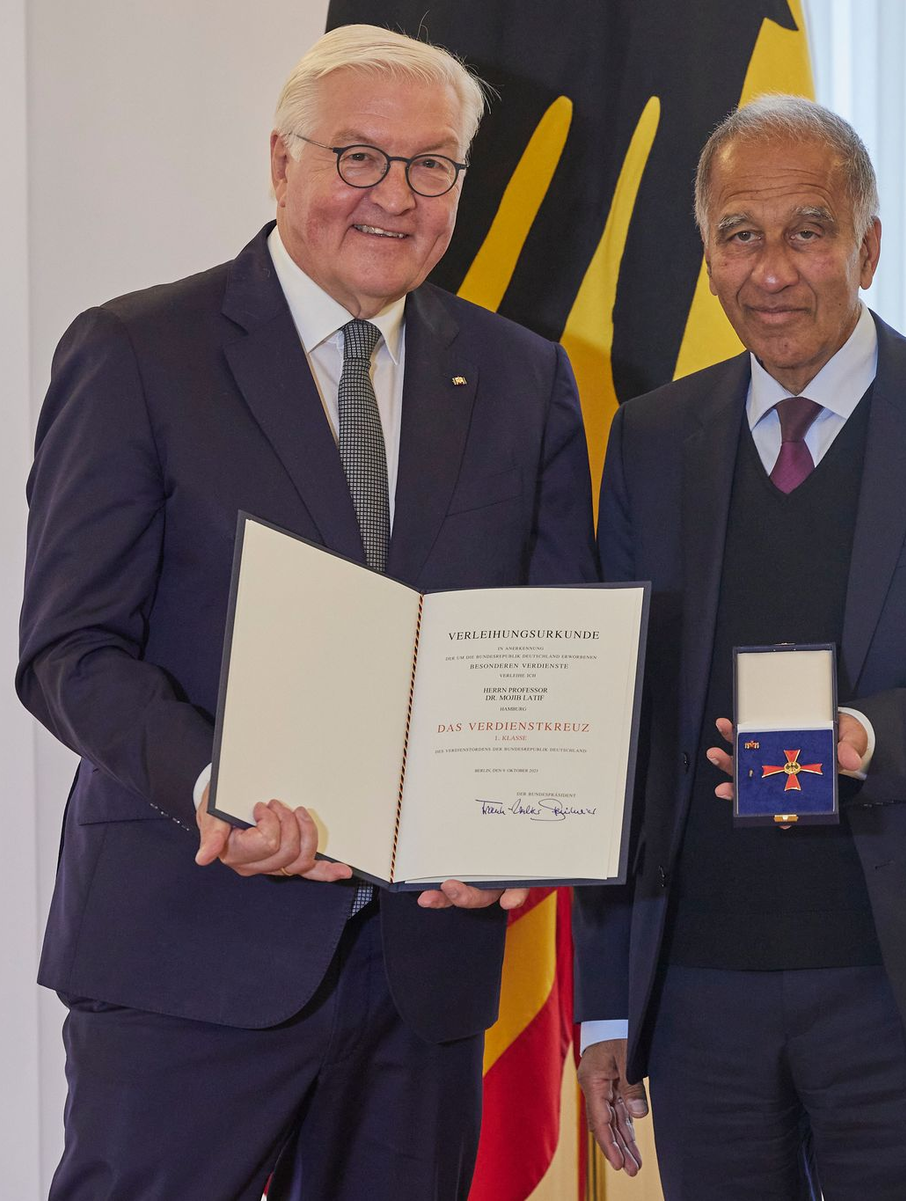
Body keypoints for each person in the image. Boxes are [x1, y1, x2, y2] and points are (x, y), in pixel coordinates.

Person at [18, 24, 595, 1201]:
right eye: (358, 157)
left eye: (431, 164)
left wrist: (523, 833)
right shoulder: (136, 351)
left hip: (426, 963)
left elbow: (556, 644)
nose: (395, 195)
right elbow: (69, 646)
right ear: (280, 164)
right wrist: (212, 781)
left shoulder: (526, 377)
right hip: (188, 947)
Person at [574, 95, 906, 1201]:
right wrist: (610, 1001)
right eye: (739, 235)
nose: (771, 271)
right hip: (702, 995)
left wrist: (866, 737)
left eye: (806, 231)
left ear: (866, 243)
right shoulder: (652, 439)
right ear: (707, 254)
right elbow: (618, 734)